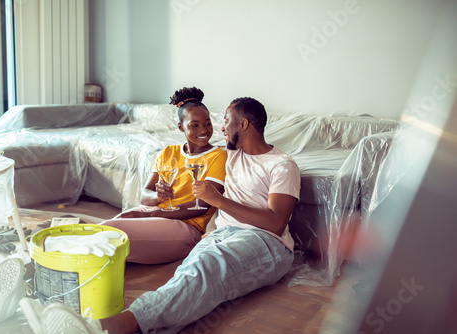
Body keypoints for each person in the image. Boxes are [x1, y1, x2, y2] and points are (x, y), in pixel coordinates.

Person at [20, 96, 301, 334]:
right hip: (220, 234)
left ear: (244, 124)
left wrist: (216, 200)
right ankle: (38, 280)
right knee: (191, 276)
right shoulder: (230, 156)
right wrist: (158, 196)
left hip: (265, 242)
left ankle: (107, 327)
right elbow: (189, 154)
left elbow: (275, 223)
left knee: (207, 268)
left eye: (225, 121)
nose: (221, 128)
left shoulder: (281, 165)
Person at [100, 87, 227, 264]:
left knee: (109, 230)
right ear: (181, 127)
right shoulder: (168, 152)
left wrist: (148, 215)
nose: (204, 130)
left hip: (187, 226)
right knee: (106, 228)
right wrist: (157, 196)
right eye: (194, 125)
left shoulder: (218, 156)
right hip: (157, 212)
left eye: (207, 123)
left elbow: (202, 206)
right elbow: (145, 195)